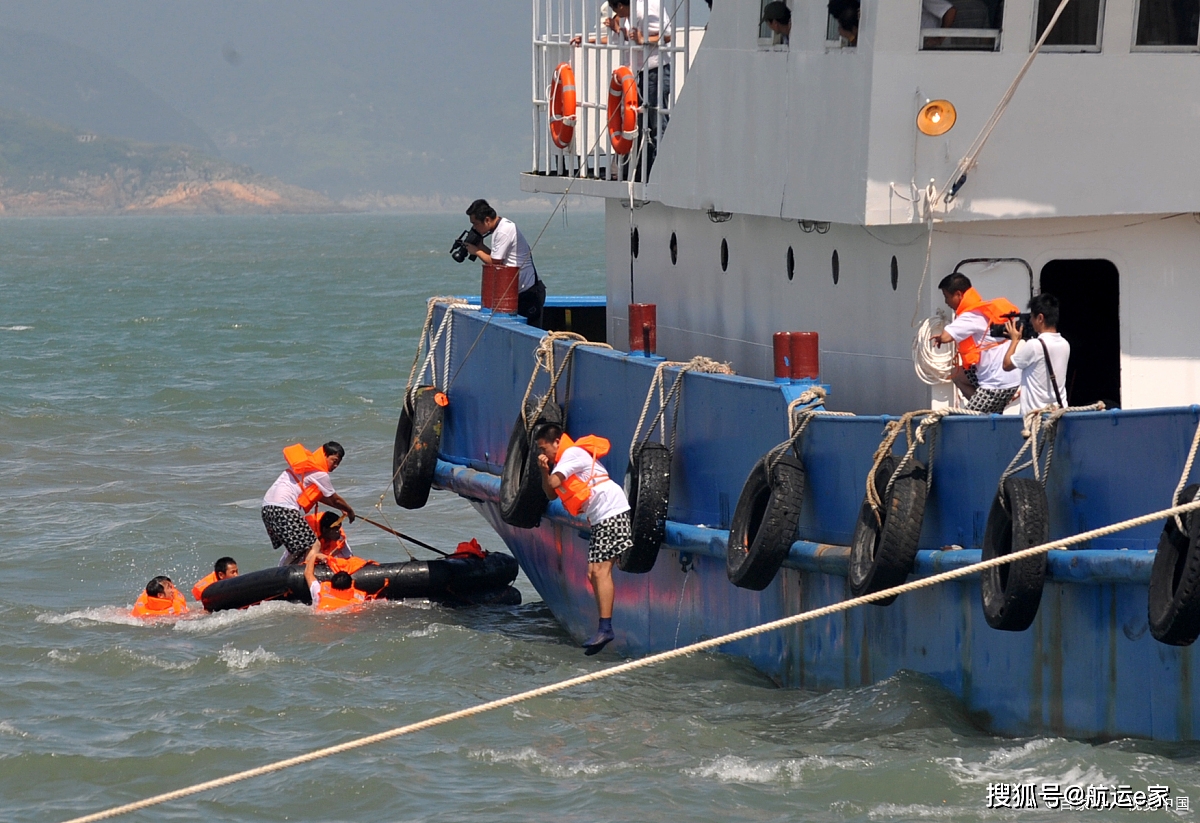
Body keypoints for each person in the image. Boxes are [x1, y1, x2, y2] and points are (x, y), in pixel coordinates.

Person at [534, 422, 632, 655]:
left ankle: (605, 628)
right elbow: (549, 493)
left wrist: (549, 471)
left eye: (544, 448)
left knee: (600, 572)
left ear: (557, 442)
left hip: (612, 511)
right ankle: (603, 627)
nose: (542, 453)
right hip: (600, 518)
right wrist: (543, 470)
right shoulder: (561, 462)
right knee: (591, 573)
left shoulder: (571, 454)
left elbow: (555, 484)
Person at [930, 273, 1021, 414]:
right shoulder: (983, 311)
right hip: (1010, 379)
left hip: (995, 384)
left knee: (967, 421)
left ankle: (981, 411)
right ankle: (985, 408)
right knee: (957, 374)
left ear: (959, 295)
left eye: (946, 297)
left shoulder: (971, 316)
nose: (946, 302)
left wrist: (940, 338)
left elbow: (947, 336)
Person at [261, 441, 356, 567]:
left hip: (267, 508)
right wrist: (349, 511)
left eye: (339, 462)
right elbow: (334, 499)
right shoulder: (319, 473)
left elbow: (322, 497)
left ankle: (285, 572)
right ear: (325, 456)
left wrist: (341, 508)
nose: (336, 465)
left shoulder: (307, 466)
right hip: (283, 508)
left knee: (299, 549)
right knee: (314, 545)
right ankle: (307, 576)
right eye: (334, 460)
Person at [464, 199, 546, 328]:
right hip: (519, 292)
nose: (474, 228)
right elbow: (498, 258)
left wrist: (477, 251)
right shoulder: (500, 228)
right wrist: (481, 247)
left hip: (530, 292)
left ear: (487, 220)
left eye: (475, 224)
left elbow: (496, 264)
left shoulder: (503, 231)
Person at [611, 0, 671, 177]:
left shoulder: (644, 10)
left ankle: (660, 169)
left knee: (656, 120)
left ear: (620, 6)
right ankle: (645, 169)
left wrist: (643, 40)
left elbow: (667, 35)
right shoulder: (634, 12)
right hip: (643, 71)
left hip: (655, 70)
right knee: (645, 121)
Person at [1003, 293, 1071, 419]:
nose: (1030, 321)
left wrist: (1014, 340)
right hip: (1057, 414)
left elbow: (1006, 365)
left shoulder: (1034, 345)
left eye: (1032, 317)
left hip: (1034, 416)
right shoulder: (1065, 344)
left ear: (1040, 318)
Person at [303, 544, 366, 612]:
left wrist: (314, 556)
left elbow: (308, 574)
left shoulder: (319, 591)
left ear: (331, 584)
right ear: (351, 585)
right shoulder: (359, 599)